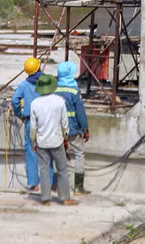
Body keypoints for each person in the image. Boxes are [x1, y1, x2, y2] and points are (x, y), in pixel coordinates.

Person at [29, 74, 77, 206]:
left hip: (41, 141)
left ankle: (45, 198)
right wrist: (65, 137)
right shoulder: (59, 101)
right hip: (57, 140)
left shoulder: (35, 103)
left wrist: (34, 142)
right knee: (62, 170)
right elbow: (64, 123)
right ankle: (65, 197)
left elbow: (33, 127)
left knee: (44, 170)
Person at [55, 60, 90, 194]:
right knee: (79, 154)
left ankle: (58, 185)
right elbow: (80, 113)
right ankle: (78, 187)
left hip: (58, 129)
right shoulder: (74, 91)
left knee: (59, 155)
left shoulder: (55, 90)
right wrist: (85, 128)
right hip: (73, 128)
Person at [12, 57, 44, 192]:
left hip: (31, 122)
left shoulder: (24, 85)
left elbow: (15, 100)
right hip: (47, 122)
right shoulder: (47, 82)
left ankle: (34, 183)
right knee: (50, 151)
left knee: (32, 152)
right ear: (39, 68)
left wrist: (20, 114)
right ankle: (51, 183)